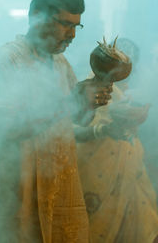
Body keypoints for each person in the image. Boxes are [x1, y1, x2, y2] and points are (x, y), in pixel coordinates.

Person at [0, 0, 112, 243]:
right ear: (36, 16)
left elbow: (74, 121)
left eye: (76, 26)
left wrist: (90, 101)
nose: (72, 35)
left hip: (61, 191)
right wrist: (69, 103)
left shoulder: (61, 64)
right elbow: (5, 128)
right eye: (65, 24)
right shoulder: (6, 60)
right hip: (18, 195)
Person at [76, 38, 158, 243]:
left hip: (128, 170)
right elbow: (70, 130)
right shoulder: (89, 88)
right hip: (96, 172)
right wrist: (103, 129)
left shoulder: (121, 88)